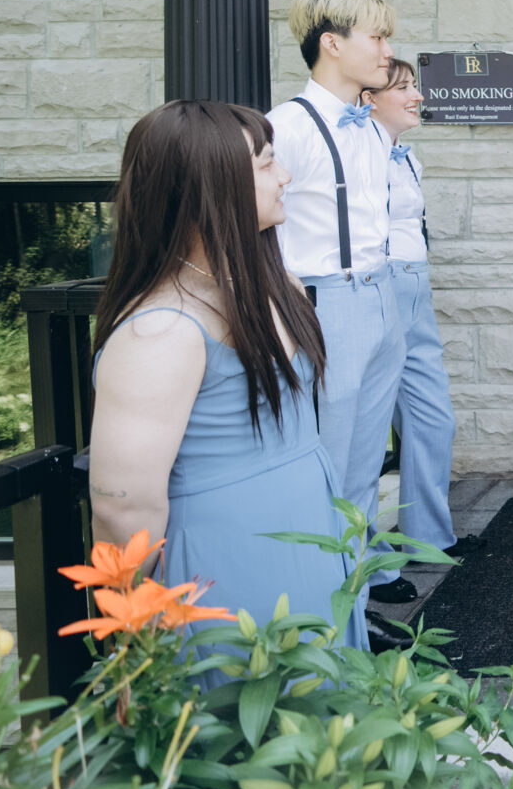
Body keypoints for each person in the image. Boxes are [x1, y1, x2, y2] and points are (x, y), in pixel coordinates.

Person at [86, 101, 366, 678]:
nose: (285, 176)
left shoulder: (276, 284)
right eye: (266, 165)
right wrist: (131, 627)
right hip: (225, 562)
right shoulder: (160, 330)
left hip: (310, 536)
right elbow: (122, 508)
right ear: (210, 188)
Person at [266, 0, 407, 608]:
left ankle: (362, 583)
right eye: (377, 37)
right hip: (326, 303)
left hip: (381, 295)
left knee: (367, 459)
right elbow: (256, 223)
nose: (387, 50)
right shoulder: (286, 125)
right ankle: (323, 602)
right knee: (328, 458)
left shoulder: (372, 128)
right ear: (332, 43)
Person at [362, 58, 483, 606]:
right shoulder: (356, 152)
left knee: (433, 417)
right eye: (404, 87)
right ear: (369, 99)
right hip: (379, 286)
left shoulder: (405, 155)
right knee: (365, 438)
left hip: (414, 285)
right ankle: (369, 567)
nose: (417, 96)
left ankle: (428, 537)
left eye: (415, 85)